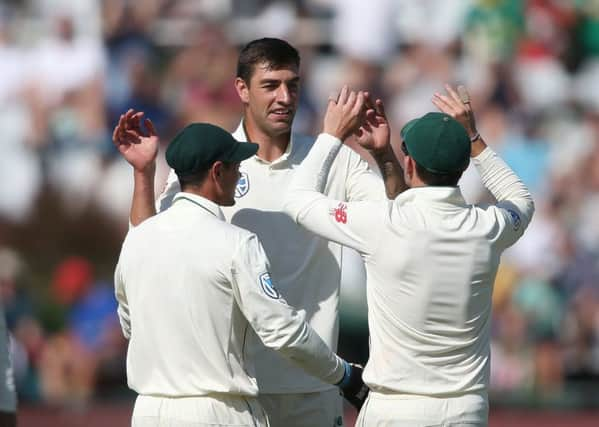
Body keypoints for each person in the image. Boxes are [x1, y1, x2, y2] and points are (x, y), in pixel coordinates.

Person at [113, 37, 403, 426]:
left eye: (293, 85)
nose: (285, 97)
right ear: (242, 89)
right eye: (271, 85)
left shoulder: (334, 160)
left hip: (311, 381)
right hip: (233, 385)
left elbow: (401, 220)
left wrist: (384, 156)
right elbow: (150, 242)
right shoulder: (214, 158)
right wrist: (144, 176)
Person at [283, 84, 535, 426]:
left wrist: (332, 134)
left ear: (410, 163)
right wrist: (473, 136)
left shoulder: (381, 224)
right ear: (463, 168)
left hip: (395, 409)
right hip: (465, 411)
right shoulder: (486, 227)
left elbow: (297, 202)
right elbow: (521, 200)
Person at [114, 123, 367, 427]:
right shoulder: (236, 242)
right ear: (217, 172)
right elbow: (282, 331)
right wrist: (345, 376)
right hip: (218, 411)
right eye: (236, 166)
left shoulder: (137, 240)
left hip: (148, 412)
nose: (240, 175)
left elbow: (130, 325)